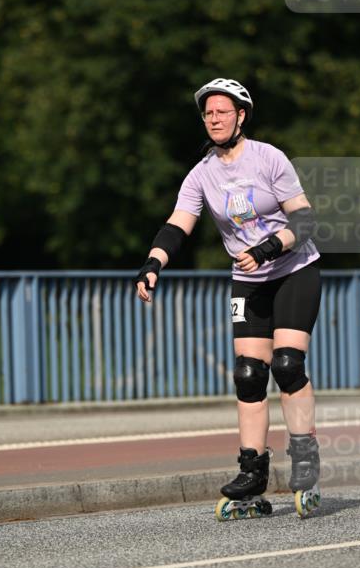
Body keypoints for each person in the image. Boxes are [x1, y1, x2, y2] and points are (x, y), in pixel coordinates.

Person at [134, 77, 322, 518]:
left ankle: (306, 462)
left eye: (222, 111)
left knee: (288, 365)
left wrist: (268, 248)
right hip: (248, 279)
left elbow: (307, 221)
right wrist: (152, 263)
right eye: (208, 113)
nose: (214, 118)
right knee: (249, 374)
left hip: (294, 270)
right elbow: (177, 224)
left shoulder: (268, 158)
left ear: (241, 116)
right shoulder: (202, 173)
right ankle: (253, 474)